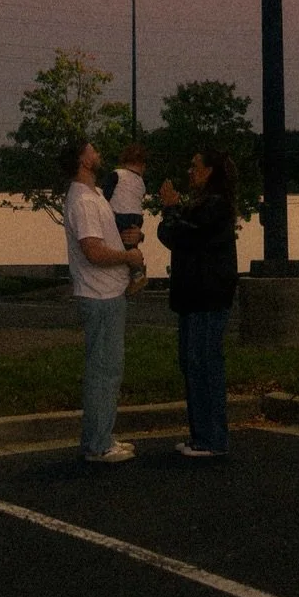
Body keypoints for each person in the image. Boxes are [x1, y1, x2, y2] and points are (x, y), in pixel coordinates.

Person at [61, 136, 146, 464]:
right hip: (100, 295)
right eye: (92, 149)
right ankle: (98, 445)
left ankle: (101, 437)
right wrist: (128, 258)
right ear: (83, 160)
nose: (98, 153)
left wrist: (131, 239)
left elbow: (104, 239)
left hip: (107, 293)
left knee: (107, 369)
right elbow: (92, 250)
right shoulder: (83, 201)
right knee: (103, 371)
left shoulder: (94, 195)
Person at [157, 146, 238, 458]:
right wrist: (173, 213)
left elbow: (180, 236)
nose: (189, 171)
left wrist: (171, 209)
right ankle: (201, 434)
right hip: (194, 296)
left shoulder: (215, 206)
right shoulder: (202, 205)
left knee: (204, 364)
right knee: (192, 364)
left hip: (208, 296)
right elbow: (171, 234)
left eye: (195, 166)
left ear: (209, 172)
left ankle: (213, 439)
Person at [108, 140, 149, 297]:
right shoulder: (141, 182)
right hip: (136, 217)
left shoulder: (117, 175)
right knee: (132, 247)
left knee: (117, 244)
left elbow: (106, 194)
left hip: (119, 214)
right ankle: (137, 274)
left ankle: (133, 277)